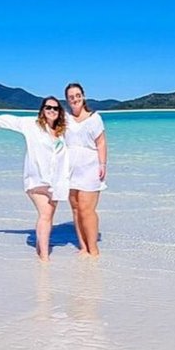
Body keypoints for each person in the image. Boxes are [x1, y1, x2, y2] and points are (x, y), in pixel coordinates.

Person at [0, 97, 70, 262]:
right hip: (36, 180)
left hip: (55, 182)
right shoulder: (32, 125)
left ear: (60, 112)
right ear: (42, 110)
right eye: (48, 107)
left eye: (55, 108)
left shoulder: (61, 132)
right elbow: (9, 121)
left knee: (48, 216)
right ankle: (44, 258)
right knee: (45, 214)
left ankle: (40, 248)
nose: (52, 110)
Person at [64, 82, 107, 257]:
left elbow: (101, 142)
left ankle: (94, 250)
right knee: (75, 208)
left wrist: (102, 164)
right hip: (69, 169)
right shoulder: (65, 119)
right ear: (67, 100)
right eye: (71, 97)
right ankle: (83, 247)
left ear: (83, 96)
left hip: (90, 168)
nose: (75, 99)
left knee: (86, 209)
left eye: (77, 95)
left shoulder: (94, 118)